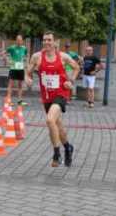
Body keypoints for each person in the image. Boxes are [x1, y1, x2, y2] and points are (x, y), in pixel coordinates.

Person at [26, 31, 80, 167]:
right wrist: (27, 78)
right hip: (47, 96)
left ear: (55, 42)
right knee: (56, 125)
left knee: (50, 119)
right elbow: (27, 71)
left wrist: (71, 81)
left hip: (61, 93)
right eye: (44, 40)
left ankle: (57, 153)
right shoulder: (37, 57)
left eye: (49, 40)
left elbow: (76, 67)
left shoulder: (63, 57)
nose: (46, 43)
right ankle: (68, 147)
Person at [3, 35, 28, 106]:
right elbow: (3, 52)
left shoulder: (24, 48)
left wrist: (25, 64)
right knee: (11, 85)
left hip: (21, 69)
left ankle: (20, 101)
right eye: (18, 40)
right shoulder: (12, 48)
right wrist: (6, 60)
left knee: (20, 85)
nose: (19, 42)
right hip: (13, 68)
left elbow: (25, 56)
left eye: (20, 40)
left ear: (22, 41)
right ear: (16, 41)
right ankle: (8, 100)